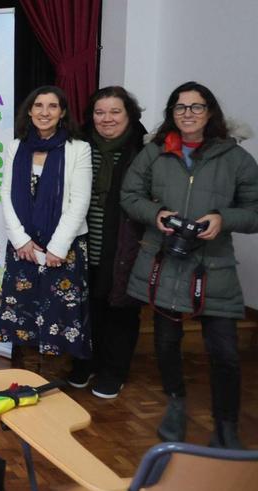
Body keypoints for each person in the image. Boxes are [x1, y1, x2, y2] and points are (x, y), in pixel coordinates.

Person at [121, 81, 258, 449]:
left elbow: (254, 210)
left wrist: (222, 219)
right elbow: (129, 195)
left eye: (196, 107)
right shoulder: (155, 153)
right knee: (167, 343)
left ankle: (226, 423)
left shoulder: (235, 158)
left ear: (210, 112)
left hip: (214, 267)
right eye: (180, 108)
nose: (188, 114)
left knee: (226, 352)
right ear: (172, 114)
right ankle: (176, 403)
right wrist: (157, 214)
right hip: (166, 260)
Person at [0, 86, 92, 366]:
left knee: (59, 315)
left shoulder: (79, 149)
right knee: (21, 310)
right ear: (29, 111)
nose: (44, 112)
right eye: (38, 105)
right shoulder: (16, 146)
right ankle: (23, 373)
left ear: (62, 113)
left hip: (64, 250)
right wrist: (20, 240)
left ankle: (53, 377)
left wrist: (58, 247)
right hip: (23, 246)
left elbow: (79, 201)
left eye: (52, 106)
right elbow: (5, 193)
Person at [66, 86, 147, 399]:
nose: (107, 119)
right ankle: (85, 362)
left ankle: (114, 371)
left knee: (121, 311)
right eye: (100, 112)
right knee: (86, 308)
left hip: (125, 245)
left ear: (129, 115)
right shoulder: (78, 145)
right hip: (84, 243)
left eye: (115, 112)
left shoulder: (143, 149)